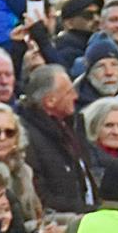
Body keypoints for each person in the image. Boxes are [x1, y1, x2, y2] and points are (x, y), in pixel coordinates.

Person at [18, 65, 97, 214]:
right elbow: (42, 196)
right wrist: (85, 210)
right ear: (50, 101)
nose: (75, 96)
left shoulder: (73, 126)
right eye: (69, 92)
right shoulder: (28, 137)